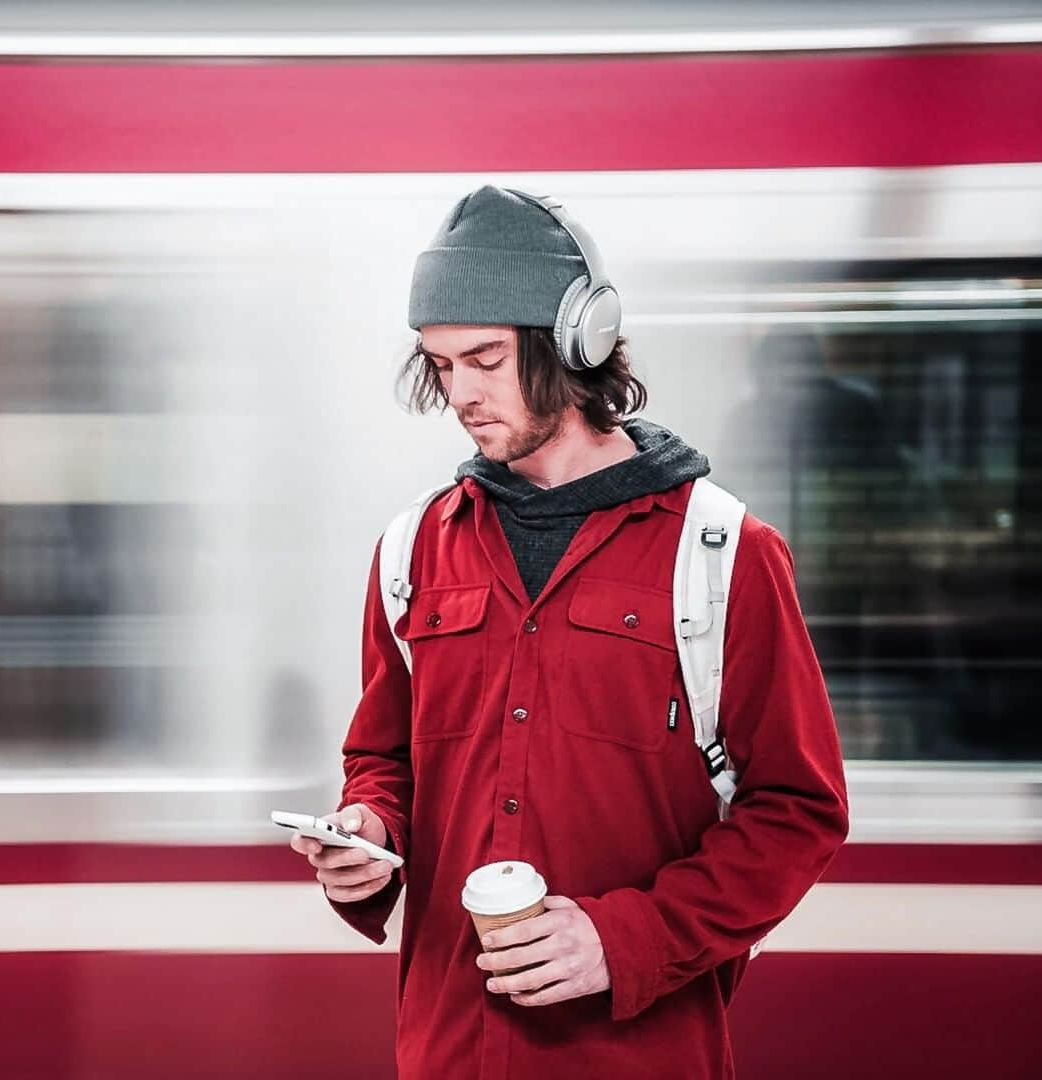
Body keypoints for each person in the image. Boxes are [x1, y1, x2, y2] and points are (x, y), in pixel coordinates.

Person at [290, 186, 849, 1079]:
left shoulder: (724, 555)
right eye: (441, 365)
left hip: (637, 1054)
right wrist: (369, 835)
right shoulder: (411, 550)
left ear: (577, 345)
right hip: (444, 1049)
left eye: (486, 359)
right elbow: (385, 759)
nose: (460, 394)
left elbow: (798, 812)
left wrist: (624, 940)